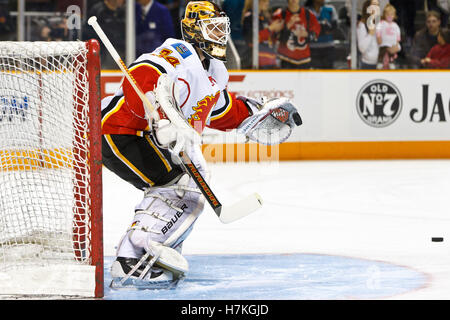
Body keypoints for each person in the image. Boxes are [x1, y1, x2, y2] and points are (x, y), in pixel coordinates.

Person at [101, 1, 302, 287]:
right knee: (179, 186)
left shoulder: (215, 70)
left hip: (144, 136)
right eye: (213, 28)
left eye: (223, 28)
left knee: (192, 181)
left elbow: (219, 110)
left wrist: (253, 113)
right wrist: (162, 117)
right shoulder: (179, 53)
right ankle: (131, 258)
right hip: (120, 132)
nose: (220, 35)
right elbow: (143, 74)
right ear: (194, 31)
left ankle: (155, 247)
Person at [272, 0, 321, 69]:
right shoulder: (279, 14)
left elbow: (316, 34)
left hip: (304, 60)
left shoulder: (308, 14)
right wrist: (287, 26)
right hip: (285, 59)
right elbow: (273, 37)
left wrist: (307, 34)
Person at [241, 0, 284, 69]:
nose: (267, 3)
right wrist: (271, 28)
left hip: (269, 61)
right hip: (256, 62)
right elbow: (251, 39)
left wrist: (276, 30)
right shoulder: (250, 17)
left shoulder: (264, 17)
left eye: (267, 1)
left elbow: (270, 39)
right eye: (264, 1)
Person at [84, 0, 125, 69]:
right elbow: (88, 31)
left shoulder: (125, 11)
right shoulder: (97, 10)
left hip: (121, 52)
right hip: (103, 53)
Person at [305, 0, 339, 69]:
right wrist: (323, 27)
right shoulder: (306, 11)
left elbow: (334, 27)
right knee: (314, 76)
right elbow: (306, 29)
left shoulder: (330, 9)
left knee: (328, 75)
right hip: (312, 49)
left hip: (328, 48)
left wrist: (316, 29)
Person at [375, 4, 401, 69]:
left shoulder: (395, 25)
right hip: (383, 43)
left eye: (391, 14)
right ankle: (380, 62)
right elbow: (378, 30)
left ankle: (391, 63)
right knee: (382, 52)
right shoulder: (381, 23)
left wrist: (397, 42)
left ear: (394, 16)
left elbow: (398, 34)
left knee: (391, 55)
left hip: (392, 45)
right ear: (384, 15)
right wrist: (378, 37)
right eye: (388, 14)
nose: (389, 16)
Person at [356, 0, 380, 69]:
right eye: (374, 5)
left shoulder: (379, 24)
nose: (377, 7)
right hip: (367, 65)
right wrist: (370, 34)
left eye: (378, 5)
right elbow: (362, 48)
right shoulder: (362, 25)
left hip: (379, 64)